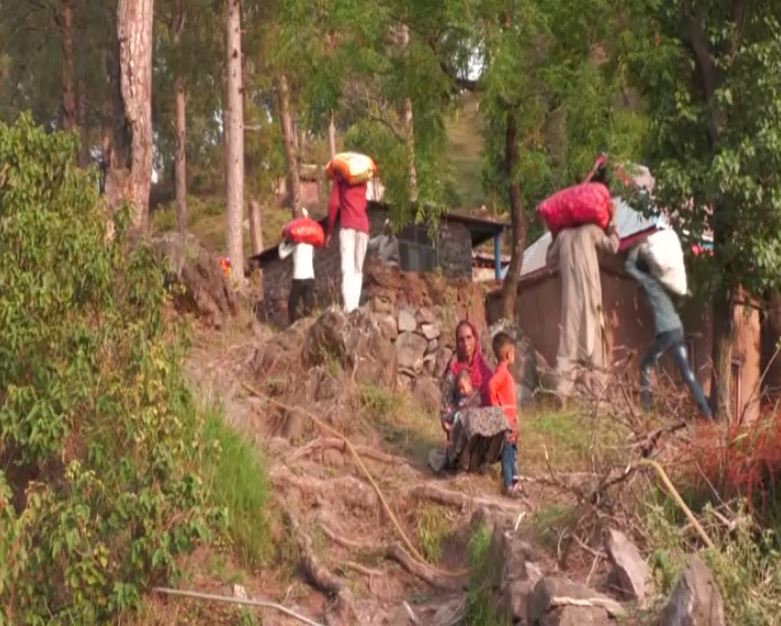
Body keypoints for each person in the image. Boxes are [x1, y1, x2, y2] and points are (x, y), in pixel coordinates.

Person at [545, 165, 620, 399]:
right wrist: (613, 221)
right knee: (595, 349)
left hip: (570, 304)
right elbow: (613, 246)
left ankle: (561, 393)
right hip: (591, 301)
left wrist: (554, 234)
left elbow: (549, 261)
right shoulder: (592, 231)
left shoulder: (562, 237)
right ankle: (599, 400)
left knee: (568, 348)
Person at [625, 246, 713, 419]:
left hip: (667, 334)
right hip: (677, 331)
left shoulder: (650, 283)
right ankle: (707, 412)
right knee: (687, 372)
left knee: (646, 366)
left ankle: (646, 410)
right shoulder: (663, 284)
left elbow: (629, 266)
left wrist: (636, 246)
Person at [436, 319, 509, 473]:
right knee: (470, 416)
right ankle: (463, 464)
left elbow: (495, 403)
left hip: (481, 440)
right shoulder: (453, 373)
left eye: (469, 338)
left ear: (476, 339)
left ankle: (484, 461)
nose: (466, 343)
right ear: (457, 343)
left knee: (501, 416)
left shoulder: (485, 371)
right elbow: (444, 412)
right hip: (460, 442)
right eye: (461, 340)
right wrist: (453, 418)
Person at [326, 173, 369, 313]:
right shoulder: (363, 178)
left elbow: (334, 204)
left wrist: (329, 230)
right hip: (363, 228)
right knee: (358, 269)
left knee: (347, 268)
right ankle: (354, 306)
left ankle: (349, 308)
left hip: (348, 226)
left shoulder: (340, 177)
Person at [488, 332, 522, 497]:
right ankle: (509, 485)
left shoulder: (505, 373)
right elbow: (491, 385)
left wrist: (515, 417)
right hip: (506, 422)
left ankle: (515, 482)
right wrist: (497, 409)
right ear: (508, 354)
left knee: (513, 451)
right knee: (508, 454)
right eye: (513, 352)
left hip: (511, 420)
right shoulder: (502, 373)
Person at [279, 208, 315, 323]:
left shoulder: (295, 242)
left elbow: (281, 254)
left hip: (298, 278)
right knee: (308, 309)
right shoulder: (311, 240)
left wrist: (284, 239)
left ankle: (293, 327)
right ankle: (307, 327)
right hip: (310, 278)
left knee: (292, 305)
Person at [443, 370, 481, 449]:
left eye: (463, 388)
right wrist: (452, 408)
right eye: (459, 389)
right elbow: (458, 406)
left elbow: (475, 406)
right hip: (461, 413)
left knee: (457, 416)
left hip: (469, 416)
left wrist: (465, 406)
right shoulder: (463, 397)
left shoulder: (475, 395)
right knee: (451, 415)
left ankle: (452, 430)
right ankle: (451, 440)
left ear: (469, 384)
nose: (461, 391)